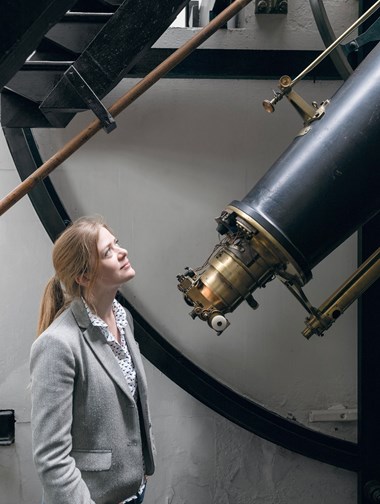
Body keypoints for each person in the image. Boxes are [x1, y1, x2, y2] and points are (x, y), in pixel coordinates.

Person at [30, 216, 155, 504]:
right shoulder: (57, 345)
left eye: (117, 243)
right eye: (108, 252)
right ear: (84, 277)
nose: (122, 252)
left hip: (134, 491)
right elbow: (51, 458)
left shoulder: (124, 320)